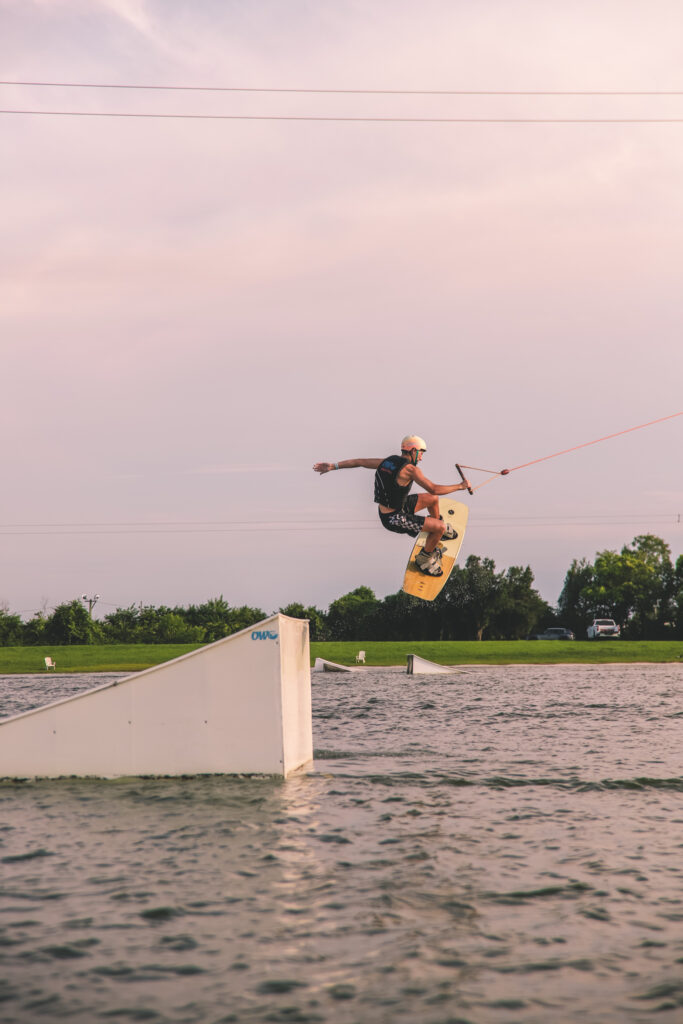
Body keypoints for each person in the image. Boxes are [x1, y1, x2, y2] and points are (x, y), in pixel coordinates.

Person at [313, 435, 471, 577]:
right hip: (394, 518)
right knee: (440, 526)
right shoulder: (411, 470)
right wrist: (460, 486)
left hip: (397, 507)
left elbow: (359, 462)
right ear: (413, 451)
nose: (421, 458)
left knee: (432, 499)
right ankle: (425, 558)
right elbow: (434, 487)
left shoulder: (387, 462)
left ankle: (434, 532)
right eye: (421, 453)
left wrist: (333, 466)